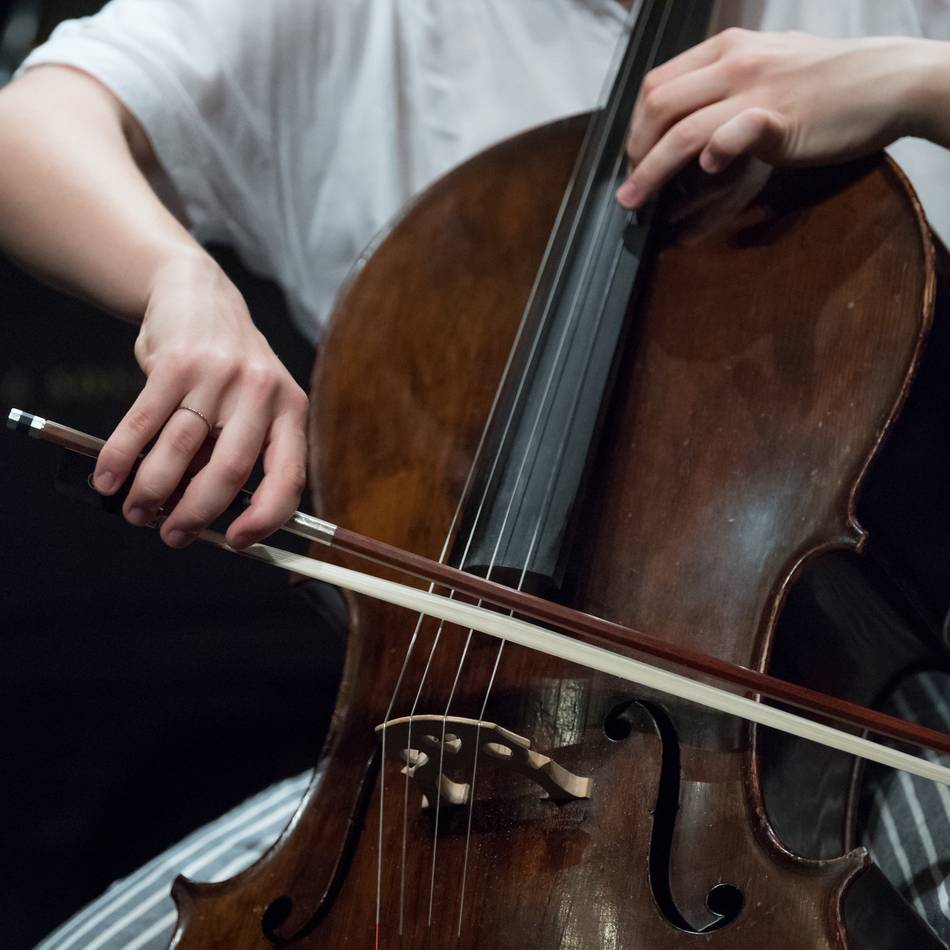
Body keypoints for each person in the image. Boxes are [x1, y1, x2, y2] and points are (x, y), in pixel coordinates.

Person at [0, 1, 947, 946]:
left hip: (869, 715)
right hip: (443, 756)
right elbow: (28, 128)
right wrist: (179, 279)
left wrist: (914, 81)